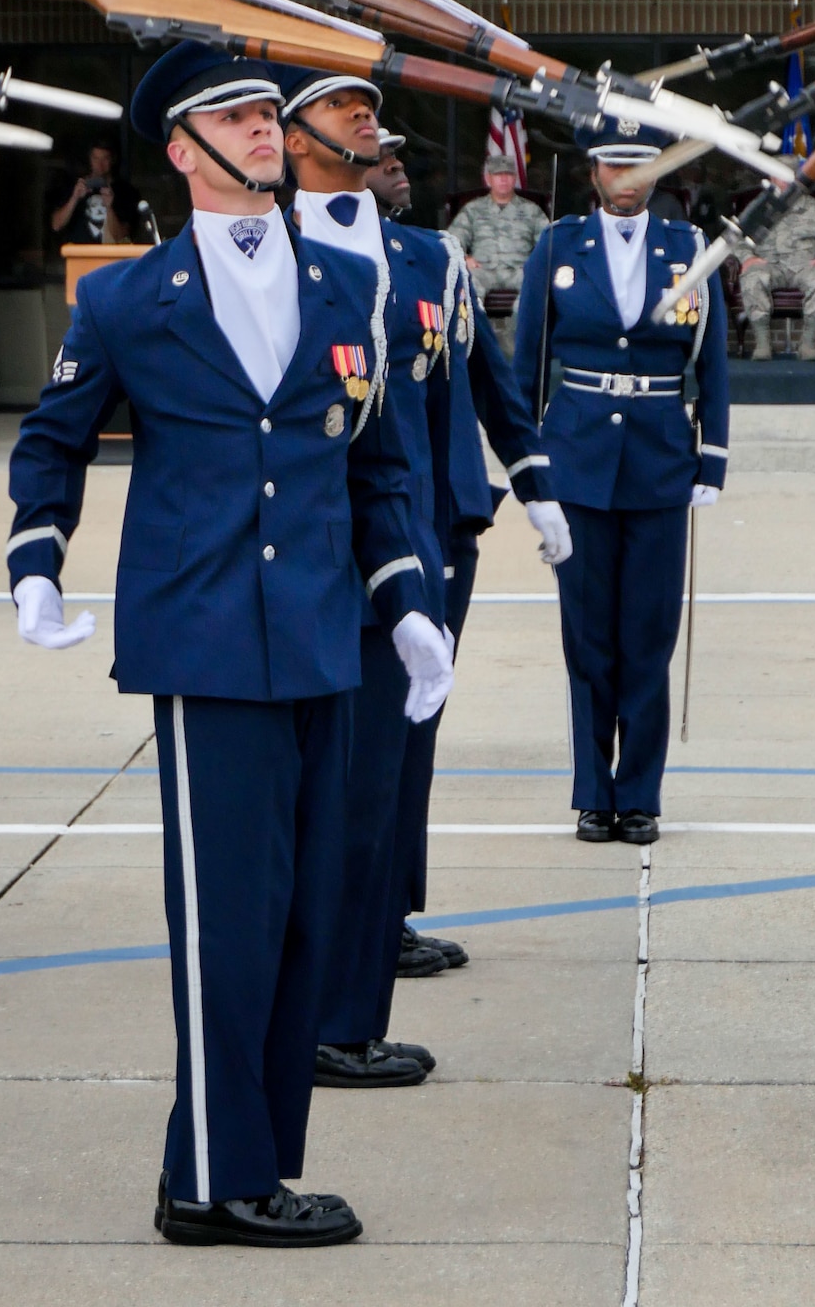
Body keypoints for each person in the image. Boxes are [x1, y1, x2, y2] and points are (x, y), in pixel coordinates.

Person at [6, 43, 447, 1247]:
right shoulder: (126, 301)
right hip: (203, 644)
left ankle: (256, 1165)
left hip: (320, 638)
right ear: (184, 148)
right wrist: (34, 558)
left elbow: (377, 465)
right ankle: (207, 1178)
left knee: (308, 921)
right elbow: (53, 440)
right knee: (229, 926)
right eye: (239, 116)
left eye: (268, 114)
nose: (265, 130)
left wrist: (405, 598)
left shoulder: (345, 282)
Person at [273, 70, 566, 1086]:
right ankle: (310, 1007)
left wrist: (534, 484)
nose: (369, 121)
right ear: (290, 134)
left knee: (389, 779)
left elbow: (483, 379)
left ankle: (349, 1007)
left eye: (372, 110)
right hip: (310, 553)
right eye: (342, 106)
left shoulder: (426, 257)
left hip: (424, 538)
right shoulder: (269, 251)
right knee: (319, 790)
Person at [515, 138, 729, 843]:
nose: (624, 179)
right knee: (587, 639)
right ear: (592, 173)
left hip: (660, 461)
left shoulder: (689, 245)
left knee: (646, 635)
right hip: (576, 461)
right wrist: (527, 468)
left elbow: (715, 364)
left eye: (638, 167)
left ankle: (638, 793)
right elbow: (528, 365)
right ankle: (591, 792)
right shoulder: (557, 246)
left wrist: (712, 461)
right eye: (612, 166)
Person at [445, 150, 549, 355]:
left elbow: (548, 243)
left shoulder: (531, 210)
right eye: (498, 175)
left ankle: (522, 352)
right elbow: (452, 241)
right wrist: (464, 258)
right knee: (467, 285)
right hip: (483, 270)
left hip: (520, 270)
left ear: (515, 178)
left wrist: (535, 264)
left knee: (534, 288)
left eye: (508, 175)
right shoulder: (473, 209)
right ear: (488, 178)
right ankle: (473, 348)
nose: (503, 179)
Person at [739, 178, 815, 360]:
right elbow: (735, 238)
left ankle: (807, 343)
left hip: (806, 266)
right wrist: (748, 257)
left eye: (782, 181)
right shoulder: (758, 209)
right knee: (752, 276)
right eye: (773, 180)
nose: (777, 186)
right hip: (768, 265)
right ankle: (762, 343)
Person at [49, 142, 141, 249]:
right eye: (95, 158)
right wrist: (74, 198)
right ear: (90, 159)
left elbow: (121, 237)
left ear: (113, 160)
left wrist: (109, 207)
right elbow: (56, 225)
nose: (100, 164)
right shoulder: (75, 187)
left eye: (105, 159)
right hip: (78, 257)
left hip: (111, 258)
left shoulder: (126, 192)